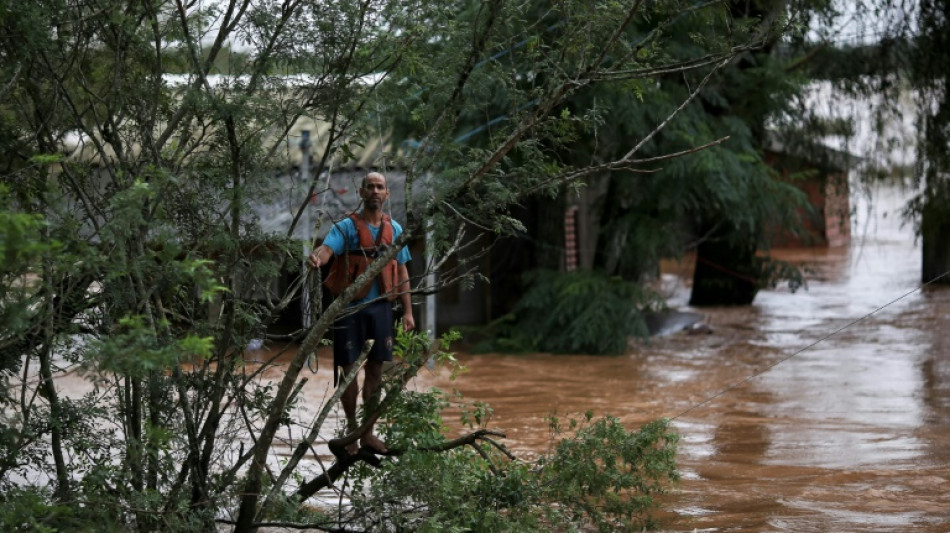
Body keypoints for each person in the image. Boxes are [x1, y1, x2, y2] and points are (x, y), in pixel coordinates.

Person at [307, 172, 414, 454]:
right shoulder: (345, 228)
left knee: (377, 371)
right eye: (371, 187)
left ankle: (368, 434)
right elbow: (327, 249)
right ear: (362, 192)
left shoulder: (396, 230)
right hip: (349, 309)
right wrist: (317, 257)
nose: (375, 191)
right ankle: (352, 432)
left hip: (381, 308)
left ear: (386, 194)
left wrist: (408, 312)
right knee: (349, 372)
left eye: (380, 187)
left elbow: (402, 270)